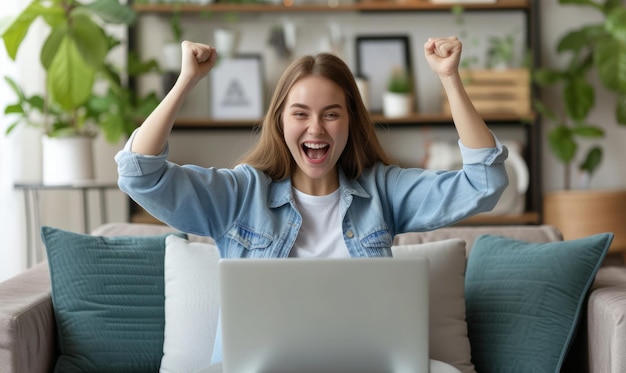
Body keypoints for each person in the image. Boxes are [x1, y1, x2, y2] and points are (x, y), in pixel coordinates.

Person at [115, 36, 508, 364]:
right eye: (300, 113)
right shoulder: (240, 195)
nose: (315, 128)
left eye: (331, 114)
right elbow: (138, 173)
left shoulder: (383, 191)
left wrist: (450, 79)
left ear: (350, 120)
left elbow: (484, 181)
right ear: (281, 120)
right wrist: (186, 80)